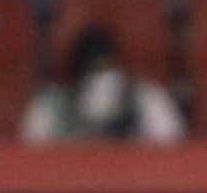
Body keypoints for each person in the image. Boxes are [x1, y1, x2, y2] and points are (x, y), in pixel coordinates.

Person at [19, 23, 184, 144]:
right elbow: (29, 153)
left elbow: (171, 149)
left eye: (108, 69)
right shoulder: (50, 105)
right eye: (94, 71)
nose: (103, 79)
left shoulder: (146, 98)